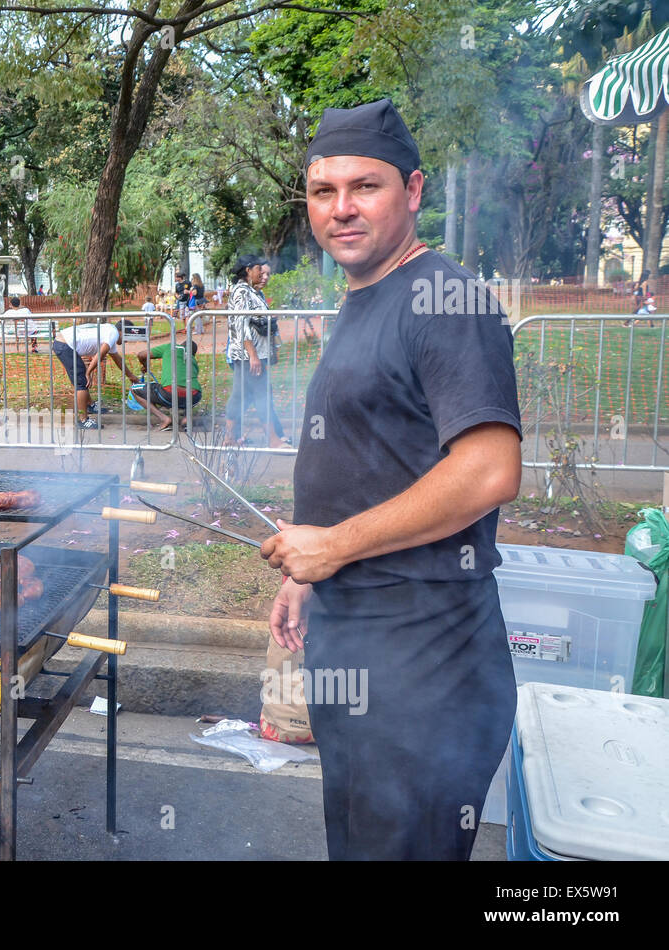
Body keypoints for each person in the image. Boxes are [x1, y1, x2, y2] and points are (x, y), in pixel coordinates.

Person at [259, 98, 522, 861]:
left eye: (364, 187)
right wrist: (311, 575)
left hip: (426, 670)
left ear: (411, 191)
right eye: (323, 191)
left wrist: (336, 545)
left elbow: (488, 468)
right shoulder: (366, 298)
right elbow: (377, 456)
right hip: (358, 648)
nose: (341, 209)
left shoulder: (446, 300)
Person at [225, 254, 288, 448]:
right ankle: (272, 440)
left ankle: (230, 439)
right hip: (248, 356)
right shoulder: (242, 292)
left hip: (252, 355)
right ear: (248, 270)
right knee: (262, 395)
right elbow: (241, 323)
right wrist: (252, 355)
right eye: (258, 270)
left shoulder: (251, 292)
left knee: (239, 396)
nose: (262, 273)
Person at [52, 317, 139, 429]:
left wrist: (130, 376)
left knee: (82, 379)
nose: (126, 341)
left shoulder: (110, 331)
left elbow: (117, 359)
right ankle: (83, 420)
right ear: (123, 331)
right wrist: (89, 371)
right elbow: (101, 354)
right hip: (65, 345)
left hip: (64, 342)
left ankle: (90, 405)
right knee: (81, 383)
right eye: (128, 337)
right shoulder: (113, 334)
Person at [132, 327, 201, 431]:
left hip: (168, 394)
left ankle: (164, 418)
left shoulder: (170, 347)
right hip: (195, 397)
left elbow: (141, 354)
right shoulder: (193, 361)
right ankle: (187, 419)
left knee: (134, 389)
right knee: (189, 389)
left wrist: (146, 365)